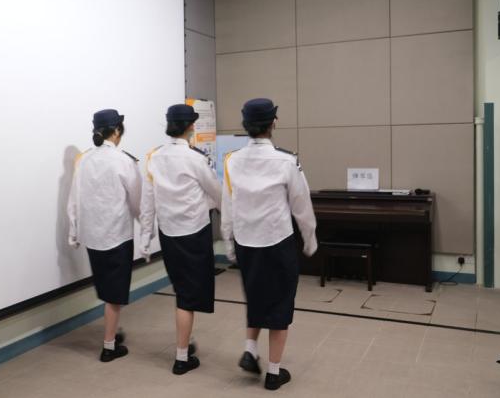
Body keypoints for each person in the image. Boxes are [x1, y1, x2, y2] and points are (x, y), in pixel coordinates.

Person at [220, 98, 317, 391]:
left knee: (256, 295)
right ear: (273, 123)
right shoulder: (286, 161)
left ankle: (250, 350)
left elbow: (228, 205)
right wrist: (310, 238)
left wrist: (228, 242)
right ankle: (274, 373)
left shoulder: (232, 160)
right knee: (279, 304)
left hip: (246, 242)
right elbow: (301, 205)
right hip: (277, 243)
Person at [139, 103, 221, 375]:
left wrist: (145, 236)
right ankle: (182, 357)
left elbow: (147, 201)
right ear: (191, 127)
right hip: (195, 233)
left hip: (169, 233)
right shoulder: (195, 158)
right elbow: (217, 193)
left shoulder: (154, 157)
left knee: (183, 291)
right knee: (188, 297)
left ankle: (186, 343)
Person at [67, 109, 141, 362]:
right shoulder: (123, 161)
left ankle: (112, 332)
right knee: (115, 293)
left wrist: (74, 231)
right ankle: (109, 346)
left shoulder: (84, 160)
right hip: (117, 235)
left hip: (93, 236)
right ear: (117, 131)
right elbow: (137, 201)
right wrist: (146, 225)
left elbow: (74, 198)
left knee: (107, 288)